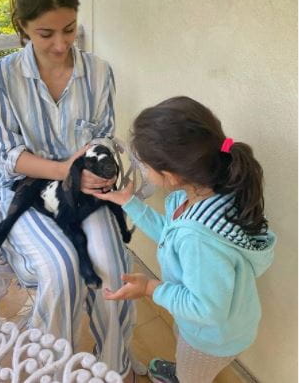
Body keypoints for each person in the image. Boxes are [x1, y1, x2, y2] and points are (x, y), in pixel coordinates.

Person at [0, 0, 137, 381]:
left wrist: (94, 171)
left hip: (85, 194)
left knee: (111, 264)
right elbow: (7, 155)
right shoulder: (1, 76)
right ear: (23, 27)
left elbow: (104, 138)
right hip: (26, 192)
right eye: (45, 34)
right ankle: (51, 370)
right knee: (61, 268)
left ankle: (113, 366)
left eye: (69, 29)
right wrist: (64, 169)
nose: (60, 44)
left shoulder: (99, 72)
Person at [94, 96, 276, 383]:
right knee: (186, 350)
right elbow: (171, 233)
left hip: (209, 340)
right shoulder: (209, 193)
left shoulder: (199, 239)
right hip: (209, 327)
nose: (142, 170)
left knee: (193, 375)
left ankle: (186, 375)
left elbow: (205, 309)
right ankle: (185, 369)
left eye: (144, 166)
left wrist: (150, 287)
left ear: (171, 175)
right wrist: (130, 202)